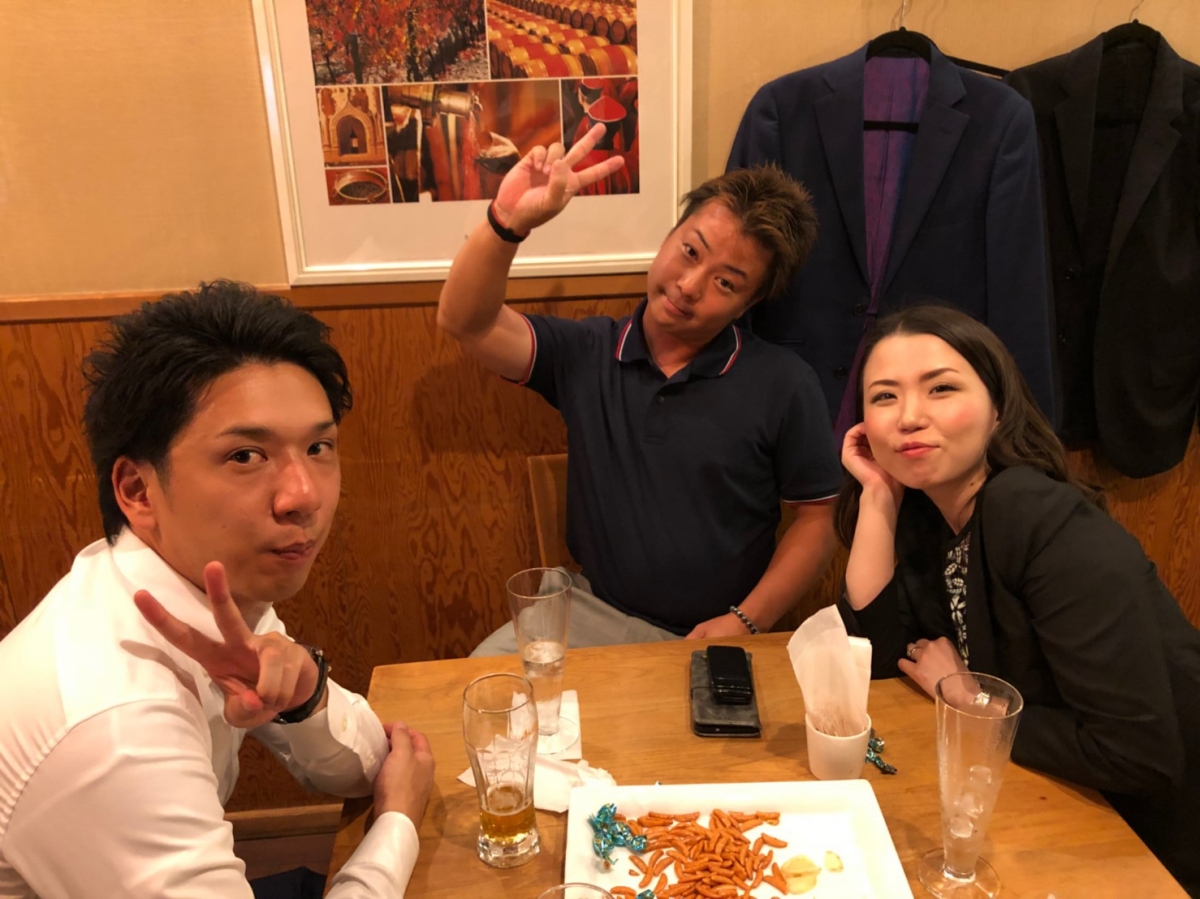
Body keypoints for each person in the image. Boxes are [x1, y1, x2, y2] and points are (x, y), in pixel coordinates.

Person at [0, 282, 435, 898]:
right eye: (246, 456)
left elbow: (363, 768)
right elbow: (389, 787)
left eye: (318, 447)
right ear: (138, 491)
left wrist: (305, 694)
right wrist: (396, 826)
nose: (304, 495)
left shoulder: (207, 595)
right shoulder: (115, 722)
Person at [835, 304, 1200, 893]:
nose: (909, 416)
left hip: (1159, 840)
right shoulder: (930, 519)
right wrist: (878, 493)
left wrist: (967, 699)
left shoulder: (1034, 512)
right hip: (1064, 803)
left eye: (941, 388)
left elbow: (1137, 753)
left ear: (998, 408)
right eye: (883, 397)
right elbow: (876, 657)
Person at [438, 124, 842, 654]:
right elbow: (466, 322)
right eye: (690, 251)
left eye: (726, 282)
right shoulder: (587, 352)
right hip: (589, 610)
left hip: (712, 633)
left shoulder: (784, 384)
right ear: (669, 236)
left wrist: (747, 621)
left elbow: (818, 519)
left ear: (748, 304)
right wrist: (506, 223)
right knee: (481, 689)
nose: (690, 286)